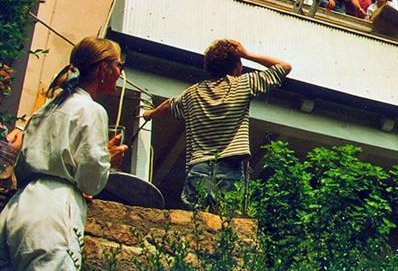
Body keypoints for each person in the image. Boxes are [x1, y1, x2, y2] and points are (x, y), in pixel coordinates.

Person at [0, 37, 128, 271]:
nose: (120, 73)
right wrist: (108, 160)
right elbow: (92, 182)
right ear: (103, 68)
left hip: (16, 209)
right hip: (53, 213)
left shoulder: (45, 109)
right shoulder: (91, 110)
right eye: (119, 65)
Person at [143, 40, 291, 209]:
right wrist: (246, 54)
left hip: (198, 168)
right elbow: (284, 66)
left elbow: (169, 104)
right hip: (230, 167)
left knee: (196, 227)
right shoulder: (243, 84)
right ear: (236, 67)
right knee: (227, 227)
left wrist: (150, 114)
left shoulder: (192, 93)